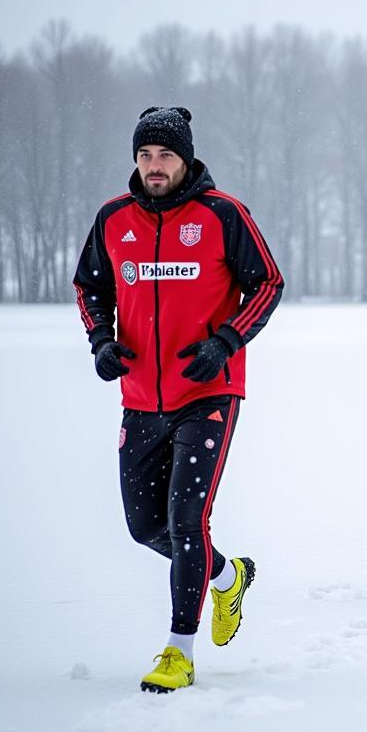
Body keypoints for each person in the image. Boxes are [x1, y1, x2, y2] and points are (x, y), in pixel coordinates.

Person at [73, 107, 283, 692]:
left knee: (187, 518)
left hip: (209, 393)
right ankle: (225, 575)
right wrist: (100, 340)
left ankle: (178, 651)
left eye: (165, 155)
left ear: (185, 158)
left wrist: (227, 341)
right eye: (145, 156)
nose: (154, 167)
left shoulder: (221, 215)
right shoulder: (113, 219)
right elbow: (89, 285)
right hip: (140, 398)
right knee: (145, 528)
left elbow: (268, 282)